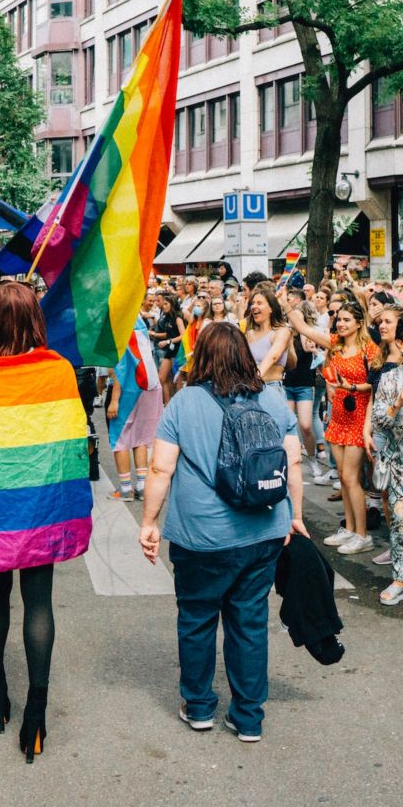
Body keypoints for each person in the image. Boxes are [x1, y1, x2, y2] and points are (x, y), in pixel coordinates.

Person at [0, 282, 93, 762]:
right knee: (39, 602)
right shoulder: (57, 370)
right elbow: (71, 445)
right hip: (41, 506)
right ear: (36, 319)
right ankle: (37, 713)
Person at [140, 322, 307, 742]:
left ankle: (198, 707)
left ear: (202, 356)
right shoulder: (271, 399)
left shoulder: (184, 403)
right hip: (263, 531)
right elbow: (294, 464)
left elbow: (161, 467)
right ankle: (248, 717)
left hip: (201, 536)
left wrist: (149, 522)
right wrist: (295, 516)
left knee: (196, 619)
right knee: (249, 622)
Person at [283, 294, 378, 554]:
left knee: (350, 477)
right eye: (339, 319)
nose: (341, 324)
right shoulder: (334, 344)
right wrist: (285, 302)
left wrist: (351, 386)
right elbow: (302, 327)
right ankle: (349, 528)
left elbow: (377, 381)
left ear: (359, 323)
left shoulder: (370, 348)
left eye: (347, 320)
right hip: (337, 416)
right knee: (346, 480)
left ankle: (363, 534)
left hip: (359, 416)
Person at [371, 314, 403, 605]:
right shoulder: (389, 378)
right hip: (400, 464)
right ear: (401, 343)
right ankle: (400, 578)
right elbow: (379, 422)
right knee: (400, 523)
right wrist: (399, 402)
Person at [106, 318, 163, 501]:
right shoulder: (141, 326)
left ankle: (125, 489)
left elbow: (120, 370)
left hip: (130, 391)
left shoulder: (122, 328)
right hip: (151, 386)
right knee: (140, 437)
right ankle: (141, 486)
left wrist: (114, 400)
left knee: (120, 438)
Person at [284, 301, 323, 478]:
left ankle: (313, 459)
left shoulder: (308, 335)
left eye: (297, 316)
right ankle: (291, 462)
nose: (293, 320)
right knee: (288, 425)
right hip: (287, 385)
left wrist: (314, 351)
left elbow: (320, 359)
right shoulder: (285, 335)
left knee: (306, 425)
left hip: (305, 385)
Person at [245, 286, 293, 387]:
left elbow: (273, 357)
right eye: (252, 303)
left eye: (259, 303)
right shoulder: (249, 334)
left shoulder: (281, 331)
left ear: (271, 308)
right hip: (249, 388)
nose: (254, 306)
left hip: (271, 387)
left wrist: (255, 379)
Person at [153, 294, 185, 404]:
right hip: (169, 350)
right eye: (163, 304)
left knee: (176, 380)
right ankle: (167, 404)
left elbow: (183, 336)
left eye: (166, 304)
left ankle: (177, 405)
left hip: (177, 351)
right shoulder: (166, 318)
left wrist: (168, 341)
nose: (164, 306)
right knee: (163, 378)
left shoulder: (178, 318)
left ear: (172, 304)